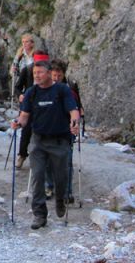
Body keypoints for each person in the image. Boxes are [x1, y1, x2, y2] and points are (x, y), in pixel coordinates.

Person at [11, 60, 80, 230]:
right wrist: (18, 123)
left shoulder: (62, 90)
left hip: (60, 140)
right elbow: (25, 116)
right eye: (35, 73)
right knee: (38, 177)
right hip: (38, 141)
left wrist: (75, 122)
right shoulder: (31, 92)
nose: (37, 76)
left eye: (40, 72)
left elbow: (73, 110)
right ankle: (39, 214)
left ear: (49, 73)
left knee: (61, 177)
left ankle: (60, 199)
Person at [45, 59, 84, 202]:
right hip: (48, 130)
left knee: (66, 162)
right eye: (53, 75)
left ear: (63, 75)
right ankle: (49, 186)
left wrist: (76, 123)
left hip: (66, 131)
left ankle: (67, 192)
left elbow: (77, 109)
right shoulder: (44, 89)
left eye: (59, 76)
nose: (56, 78)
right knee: (48, 160)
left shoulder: (70, 90)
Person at [14, 50, 49, 169]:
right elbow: (18, 86)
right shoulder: (27, 70)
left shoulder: (50, 73)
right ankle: (22, 155)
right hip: (28, 104)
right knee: (26, 130)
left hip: (45, 106)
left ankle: (45, 157)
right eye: (38, 62)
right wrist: (20, 95)